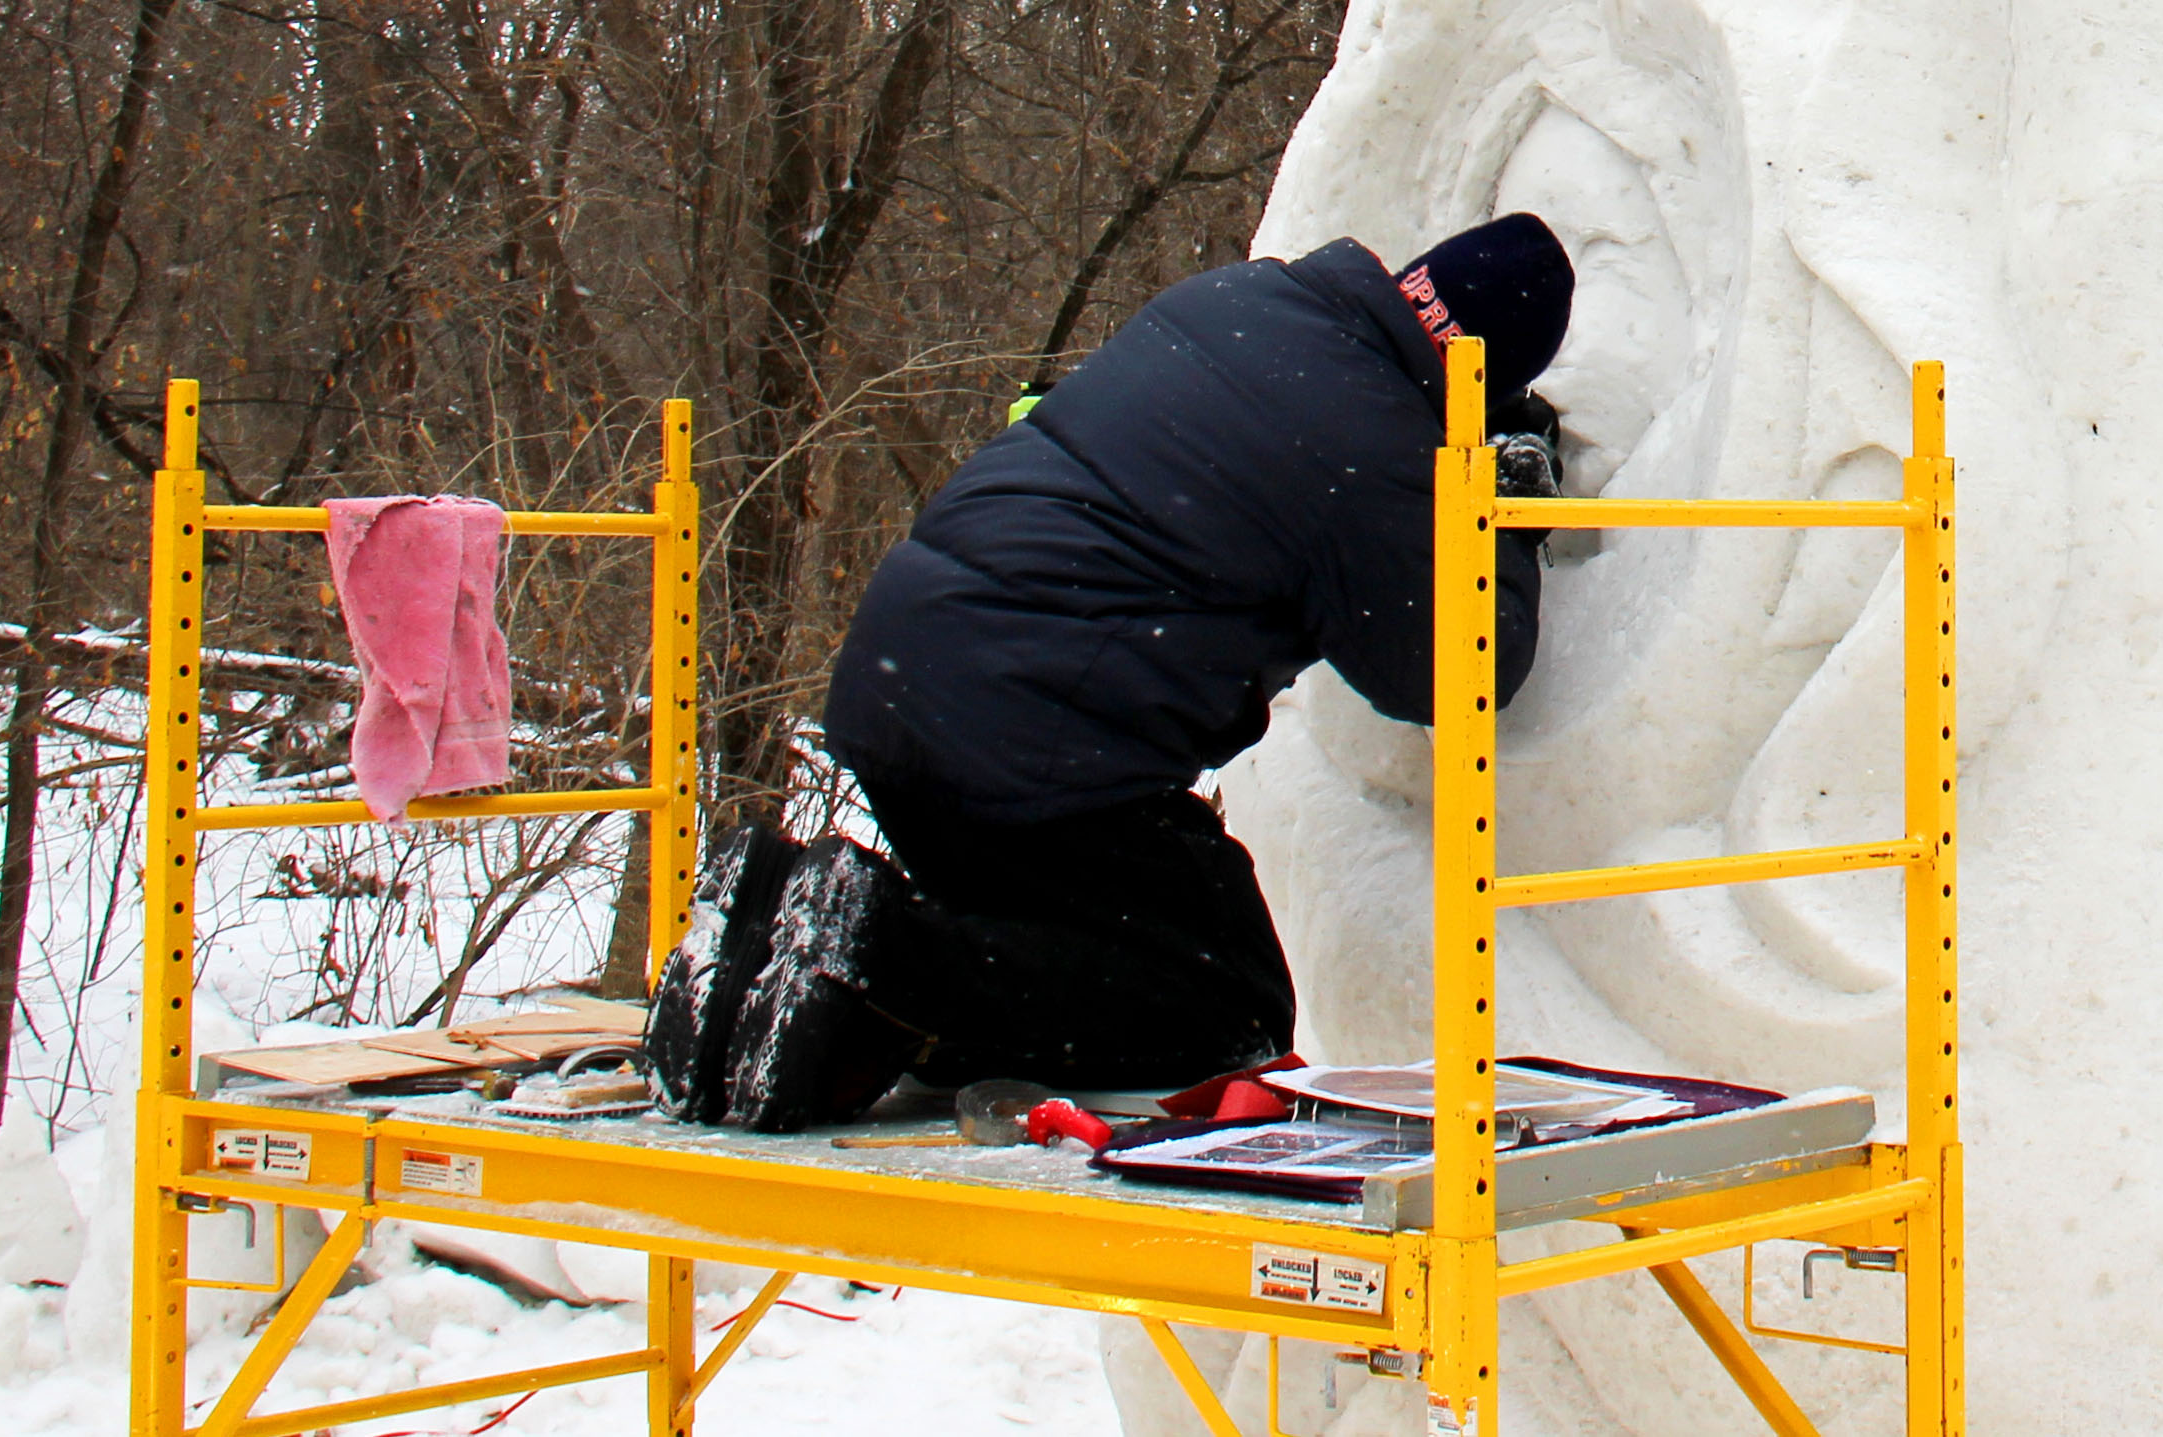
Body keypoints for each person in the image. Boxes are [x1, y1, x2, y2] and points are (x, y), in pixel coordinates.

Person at [640, 215, 1576, 1131]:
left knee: (1075, 952)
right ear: (1485, 382)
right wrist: (1509, 510)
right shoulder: (1371, 440)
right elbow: (1461, 669)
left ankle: (792, 932)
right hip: (1037, 743)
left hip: (916, 687)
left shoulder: (1247, 299)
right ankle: (881, 961)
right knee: (1224, 1008)